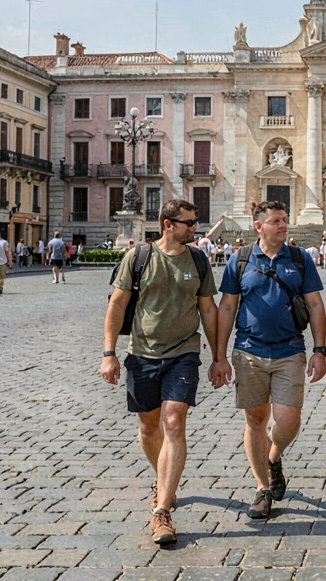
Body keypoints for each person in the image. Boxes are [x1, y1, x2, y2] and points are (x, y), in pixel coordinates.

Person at [100, 199, 217, 546]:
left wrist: (218, 356)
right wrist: (109, 353)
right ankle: (161, 479)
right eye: (190, 222)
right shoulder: (137, 258)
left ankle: (162, 510)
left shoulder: (198, 259)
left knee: (174, 421)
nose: (195, 227)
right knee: (149, 427)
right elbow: (117, 304)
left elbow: (208, 309)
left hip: (184, 352)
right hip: (142, 353)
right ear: (169, 224)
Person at [211, 201, 326, 520]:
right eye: (276, 220)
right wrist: (219, 356)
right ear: (258, 225)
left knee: (288, 420)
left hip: (290, 350)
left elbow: (316, 305)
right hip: (249, 350)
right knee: (255, 420)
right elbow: (226, 308)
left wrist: (320, 349)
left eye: (285, 220)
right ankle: (262, 487)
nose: (283, 225)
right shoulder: (241, 259)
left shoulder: (300, 259)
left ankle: (273, 457)